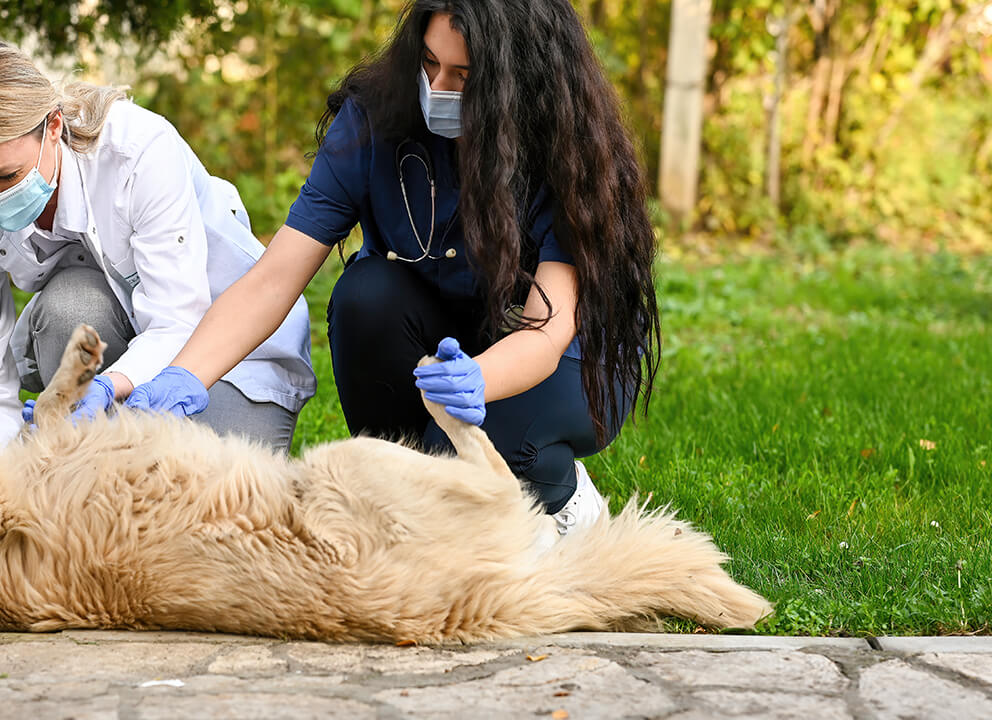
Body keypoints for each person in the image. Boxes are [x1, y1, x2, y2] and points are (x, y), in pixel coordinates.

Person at [131, 0, 662, 535]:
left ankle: (564, 500)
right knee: (366, 298)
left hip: (565, 352)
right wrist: (184, 374)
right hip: (448, 327)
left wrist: (478, 377)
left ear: (516, 79)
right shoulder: (372, 122)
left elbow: (546, 333)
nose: (438, 88)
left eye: (463, 76)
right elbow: (272, 281)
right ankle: (411, 491)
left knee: (455, 459)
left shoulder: (564, 147)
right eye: (429, 63)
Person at [0, 40, 316, 452]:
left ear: (52, 127)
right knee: (70, 306)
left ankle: (97, 446)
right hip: (121, 333)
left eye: (7, 176)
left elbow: (176, 319)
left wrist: (110, 387)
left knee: (208, 482)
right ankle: (81, 455)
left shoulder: (138, 151)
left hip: (228, 355)